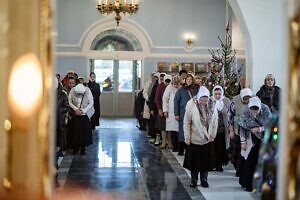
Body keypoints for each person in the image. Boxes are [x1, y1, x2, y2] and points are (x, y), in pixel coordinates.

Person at [183, 86, 218, 188]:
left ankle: (204, 179)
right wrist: (187, 137)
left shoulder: (212, 105)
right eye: (202, 99)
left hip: (207, 139)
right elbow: (186, 122)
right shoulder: (191, 105)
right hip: (195, 138)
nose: (203, 102)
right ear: (198, 98)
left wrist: (212, 135)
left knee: (205, 161)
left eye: (205, 99)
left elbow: (215, 121)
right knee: (194, 162)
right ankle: (194, 179)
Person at [239, 96, 270, 192]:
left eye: (256, 108)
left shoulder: (266, 110)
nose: (254, 111)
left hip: (264, 137)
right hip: (250, 138)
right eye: (252, 108)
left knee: (262, 162)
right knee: (249, 162)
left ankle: (262, 185)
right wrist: (243, 142)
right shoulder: (245, 112)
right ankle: (248, 184)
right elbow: (242, 127)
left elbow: (270, 125)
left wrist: (259, 129)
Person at [228, 88, 253, 177]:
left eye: (248, 98)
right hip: (237, 130)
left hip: (249, 131)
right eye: (245, 98)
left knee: (246, 151)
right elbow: (230, 117)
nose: (247, 100)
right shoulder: (234, 101)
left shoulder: (254, 100)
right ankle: (237, 168)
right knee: (236, 151)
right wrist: (231, 130)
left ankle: (242, 169)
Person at [174, 74, 197, 155]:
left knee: (192, 130)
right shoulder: (181, 90)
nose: (189, 81)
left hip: (194, 113)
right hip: (183, 113)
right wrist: (176, 114)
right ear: (185, 80)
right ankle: (180, 150)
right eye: (188, 79)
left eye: (190, 79)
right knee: (182, 131)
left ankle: (189, 150)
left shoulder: (196, 89)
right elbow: (176, 101)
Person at [68, 83, 94, 155]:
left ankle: (83, 148)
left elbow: (91, 103)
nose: (79, 95)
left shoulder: (88, 90)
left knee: (84, 132)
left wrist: (84, 110)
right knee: (75, 132)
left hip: (85, 114)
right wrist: (76, 109)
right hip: (76, 114)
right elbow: (70, 102)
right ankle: (75, 148)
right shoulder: (72, 90)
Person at [211, 85, 230, 171]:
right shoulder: (210, 101)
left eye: (219, 94)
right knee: (213, 147)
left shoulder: (226, 101)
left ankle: (219, 165)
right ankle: (212, 164)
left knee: (221, 147)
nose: (217, 96)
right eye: (216, 94)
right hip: (212, 129)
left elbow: (229, 113)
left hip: (222, 129)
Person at [54, 78, 69, 185]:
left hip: (58, 124)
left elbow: (66, 107)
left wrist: (59, 113)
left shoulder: (63, 94)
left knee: (54, 155)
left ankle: (54, 177)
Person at [163, 76, 181, 152]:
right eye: (175, 84)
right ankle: (174, 146)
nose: (176, 85)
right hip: (171, 112)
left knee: (179, 130)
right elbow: (165, 100)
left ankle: (180, 147)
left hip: (180, 112)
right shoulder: (168, 88)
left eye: (177, 84)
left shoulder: (181, 88)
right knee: (173, 130)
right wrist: (165, 110)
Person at [155, 73, 171, 148]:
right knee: (163, 127)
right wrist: (159, 109)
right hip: (162, 109)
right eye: (166, 81)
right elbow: (157, 99)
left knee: (170, 126)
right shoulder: (160, 86)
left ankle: (169, 142)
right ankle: (164, 141)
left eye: (169, 82)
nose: (167, 83)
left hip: (170, 110)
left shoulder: (172, 86)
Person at [143, 72, 160, 143]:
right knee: (151, 121)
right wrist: (148, 99)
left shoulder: (158, 84)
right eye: (153, 76)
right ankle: (152, 135)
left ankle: (156, 136)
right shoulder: (149, 83)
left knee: (155, 121)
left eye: (156, 76)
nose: (154, 78)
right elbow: (145, 93)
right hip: (150, 103)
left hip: (155, 106)